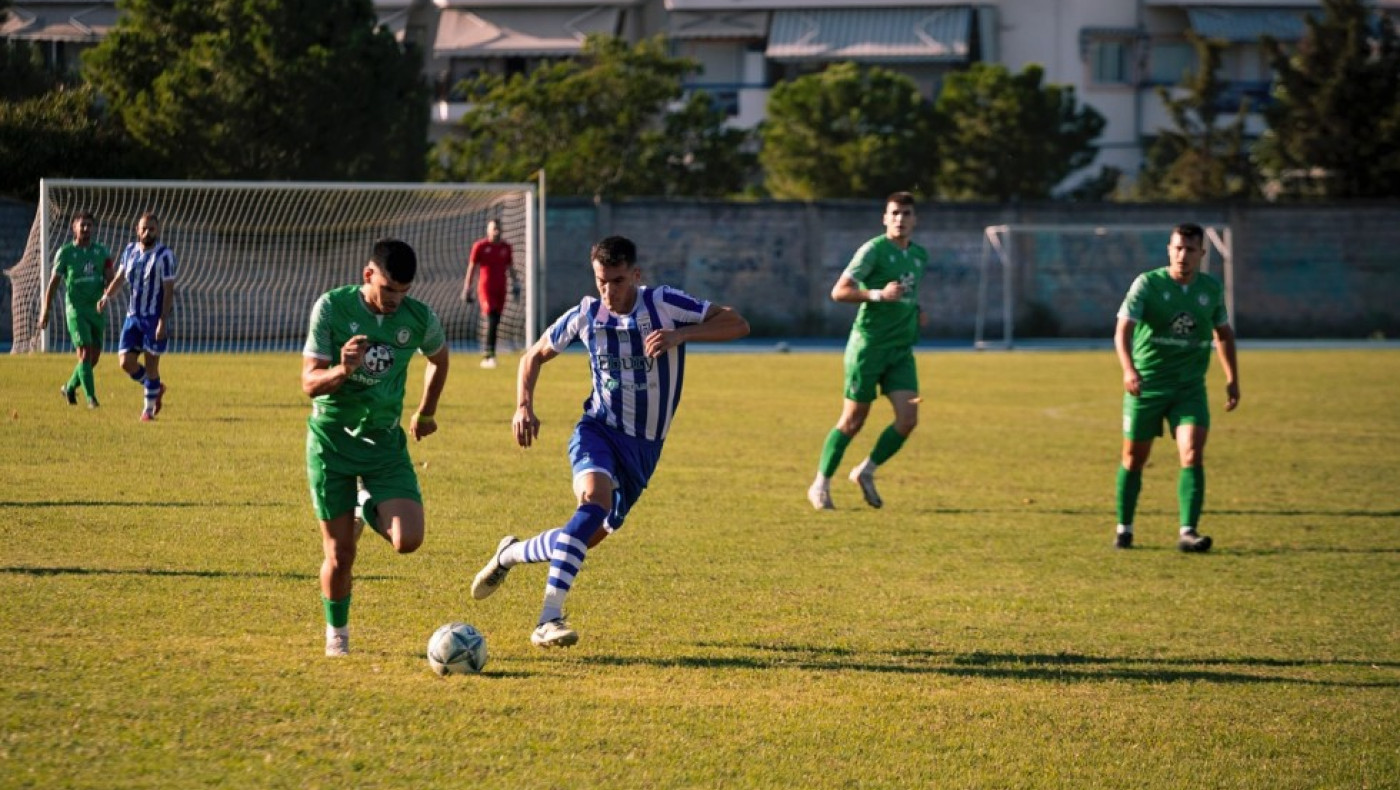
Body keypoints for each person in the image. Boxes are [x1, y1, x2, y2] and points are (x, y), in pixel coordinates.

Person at [469, 235, 749, 649]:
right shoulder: (586, 313)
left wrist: (680, 336)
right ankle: (548, 618)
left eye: (617, 281)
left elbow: (737, 323)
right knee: (592, 503)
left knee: (588, 534)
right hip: (598, 430)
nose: (608, 291)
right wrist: (523, 406)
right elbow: (532, 356)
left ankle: (509, 554)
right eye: (601, 281)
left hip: (645, 448)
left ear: (635, 275)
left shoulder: (665, 305)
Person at [301, 239, 450, 657]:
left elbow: (440, 358)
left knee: (409, 540)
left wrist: (426, 412)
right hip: (331, 441)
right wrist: (342, 370)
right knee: (340, 553)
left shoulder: (419, 318)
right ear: (369, 276)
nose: (395, 302)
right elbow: (308, 383)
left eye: (403, 293)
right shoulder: (331, 308)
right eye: (388, 292)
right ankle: (338, 636)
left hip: (384, 443)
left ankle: (366, 503)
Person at [1113, 222, 1240, 552]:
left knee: (1193, 453)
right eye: (1177, 248)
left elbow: (1223, 334)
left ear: (1201, 253)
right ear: (1169, 250)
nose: (1183, 255)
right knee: (1133, 459)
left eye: (1190, 249)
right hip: (1147, 385)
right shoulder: (1148, 284)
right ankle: (1124, 528)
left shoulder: (1210, 290)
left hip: (1189, 389)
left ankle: (1188, 532)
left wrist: (1232, 379)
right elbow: (1123, 331)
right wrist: (1128, 370)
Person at [807, 191, 929, 511]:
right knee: (853, 420)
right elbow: (839, 292)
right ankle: (820, 484)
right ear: (885, 218)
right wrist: (878, 295)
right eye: (895, 213)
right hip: (869, 348)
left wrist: (917, 312)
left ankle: (866, 471)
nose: (901, 219)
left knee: (908, 418)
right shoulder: (873, 251)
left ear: (915, 219)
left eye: (907, 214)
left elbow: (909, 293)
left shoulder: (919, 256)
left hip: (901, 351)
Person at [97, 212, 176, 422]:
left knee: (151, 366)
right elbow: (120, 277)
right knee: (125, 362)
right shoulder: (130, 251)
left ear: (157, 231)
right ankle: (156, 388)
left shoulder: (165, 256)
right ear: (137, 230)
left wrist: (162, 321)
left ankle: (147, 411)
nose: (148, 232)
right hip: (133, 317)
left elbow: (169, 290)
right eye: (144, 228)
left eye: (152, 229)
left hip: (153, 318)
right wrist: (106, 296)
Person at [39, 211, 113, 408]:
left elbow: (110, 277)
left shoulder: (102, 252)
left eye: (89, 225)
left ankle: (69, 387)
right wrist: (45, 309)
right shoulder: (65, 253)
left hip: (96, 310)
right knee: (84, 352)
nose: (86, 229)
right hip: (76, 310)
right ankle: (91, 399)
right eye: (83, 225)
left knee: (93, 357)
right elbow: (53, 283)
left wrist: (108, 291)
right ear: (74, 228)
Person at [461, 218, 518, 369]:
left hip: (502, 289)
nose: (496, 231)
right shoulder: (480, 246)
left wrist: (516, 283)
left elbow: (510, 267)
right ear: (488, 230)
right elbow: (472, 267)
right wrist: (467, 287)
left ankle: (490, 354)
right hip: (486, 289)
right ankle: (489, 356)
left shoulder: (506, 247)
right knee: (492, 318)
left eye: (498, 228)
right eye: (493, 228)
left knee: (496, 320)